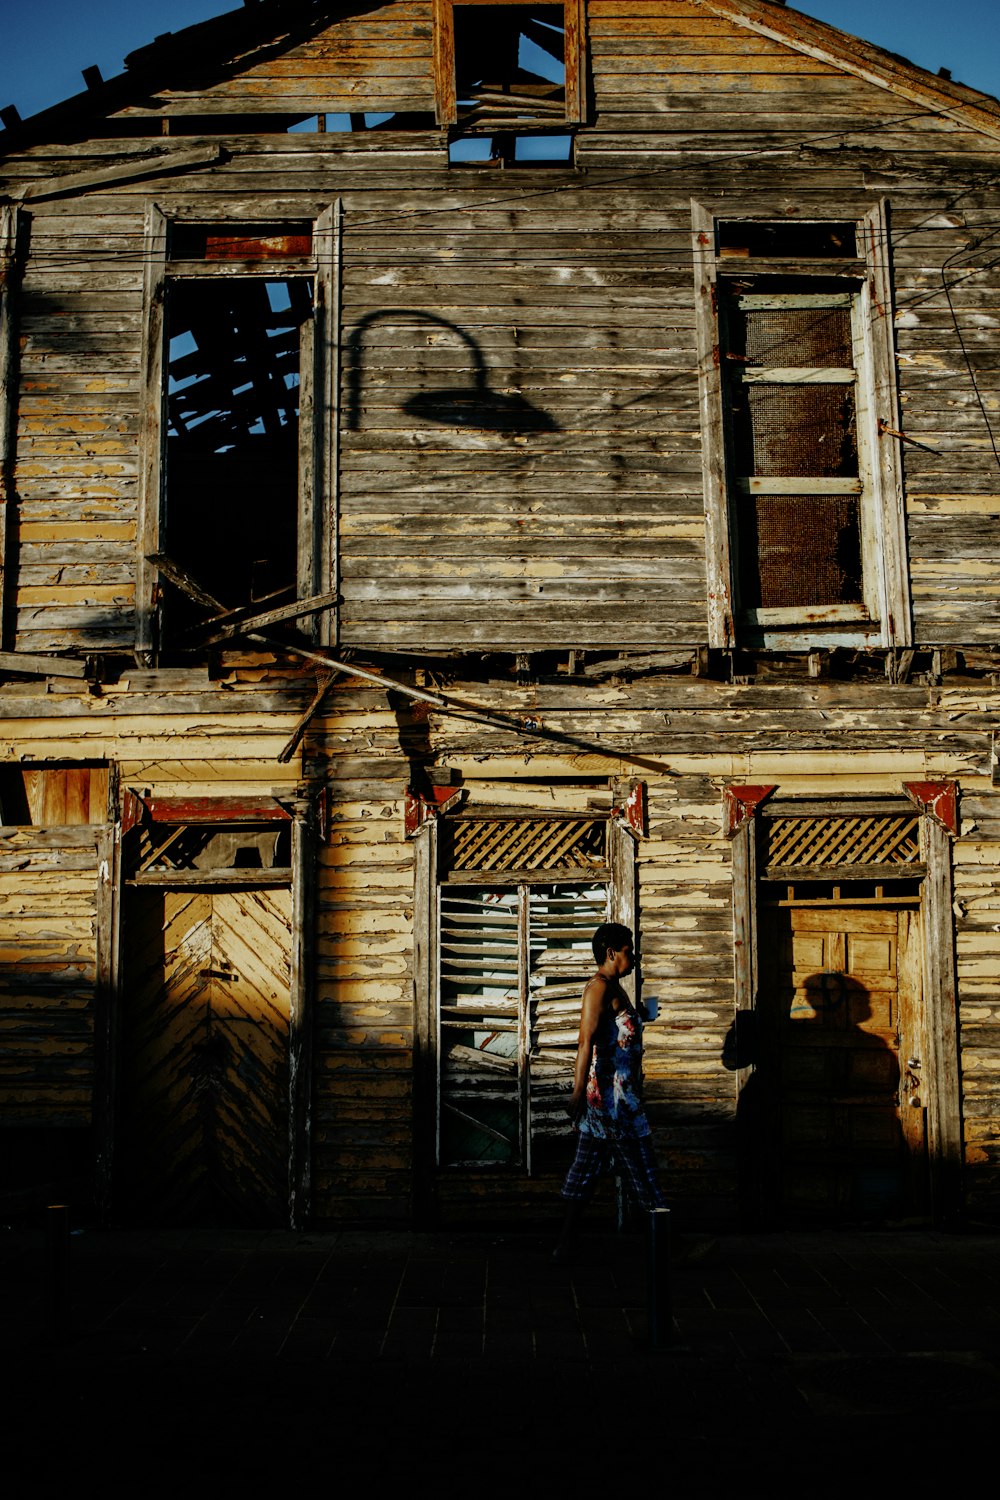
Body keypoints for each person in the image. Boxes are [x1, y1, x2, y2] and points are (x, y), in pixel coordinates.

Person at [553, 921, 665, 1261]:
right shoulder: (599, 989)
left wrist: (645, 1013)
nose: (634, 956)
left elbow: (619, 1033)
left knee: (584, 1173)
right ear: (611, 952)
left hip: (614, 1100)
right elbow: (585, 1042)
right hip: (614, 1104)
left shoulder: (616, 987)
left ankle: (564, 1244)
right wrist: (576, 1094)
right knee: (644, 1173)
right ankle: (666, 1248)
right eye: (629, 951)